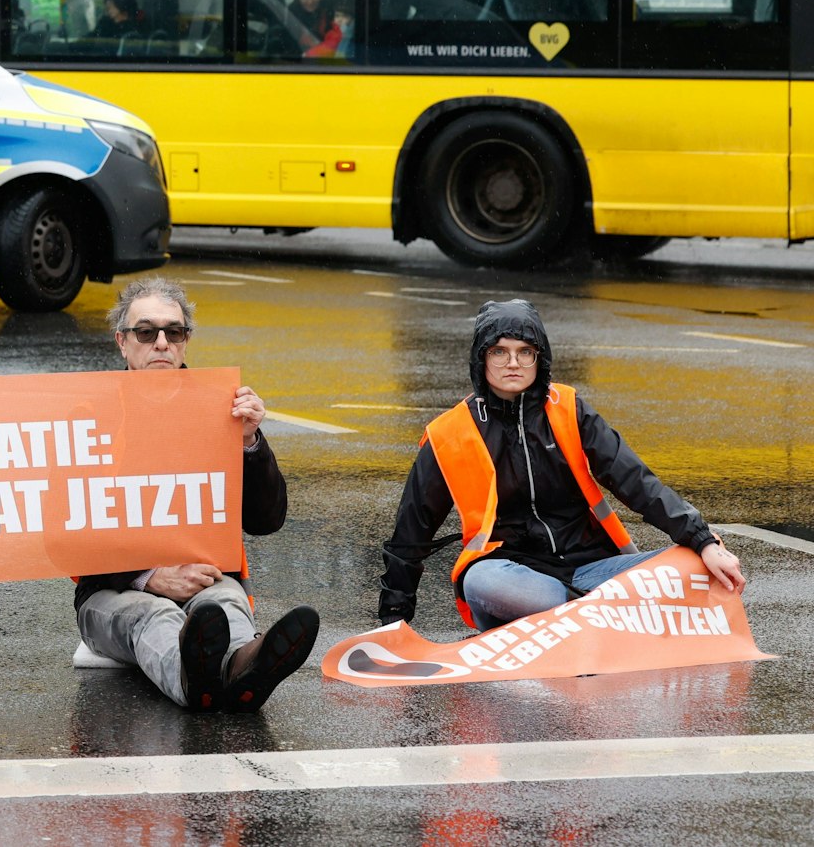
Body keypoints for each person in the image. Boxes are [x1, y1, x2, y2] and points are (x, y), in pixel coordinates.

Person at [379, 299, 746, 632]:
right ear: (481, 358)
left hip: (593, 571)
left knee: (695, 565)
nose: (513, 363)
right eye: (499, 352)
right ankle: (600, 617)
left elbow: (636, 481)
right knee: (481, 582)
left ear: (541, 359)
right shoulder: (450, 432)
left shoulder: (569, 407)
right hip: (513, 581)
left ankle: (583, 616)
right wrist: (394, 619)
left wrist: (701, 541)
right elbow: (412, 528)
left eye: (525, 352)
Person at [73, 277, 321, 713]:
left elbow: (265, 520)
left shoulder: (221, 409)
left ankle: (246, 669)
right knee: (155, 616)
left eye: (175, 331)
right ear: (122, 342)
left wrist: (249, 443)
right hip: (111, 593)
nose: (162, 343)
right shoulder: (87, 415)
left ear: (186, 341)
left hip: (208, 576)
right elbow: (63, 534)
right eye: (146, 332)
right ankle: (198, 684)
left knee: (224, 603)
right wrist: (148, 576)